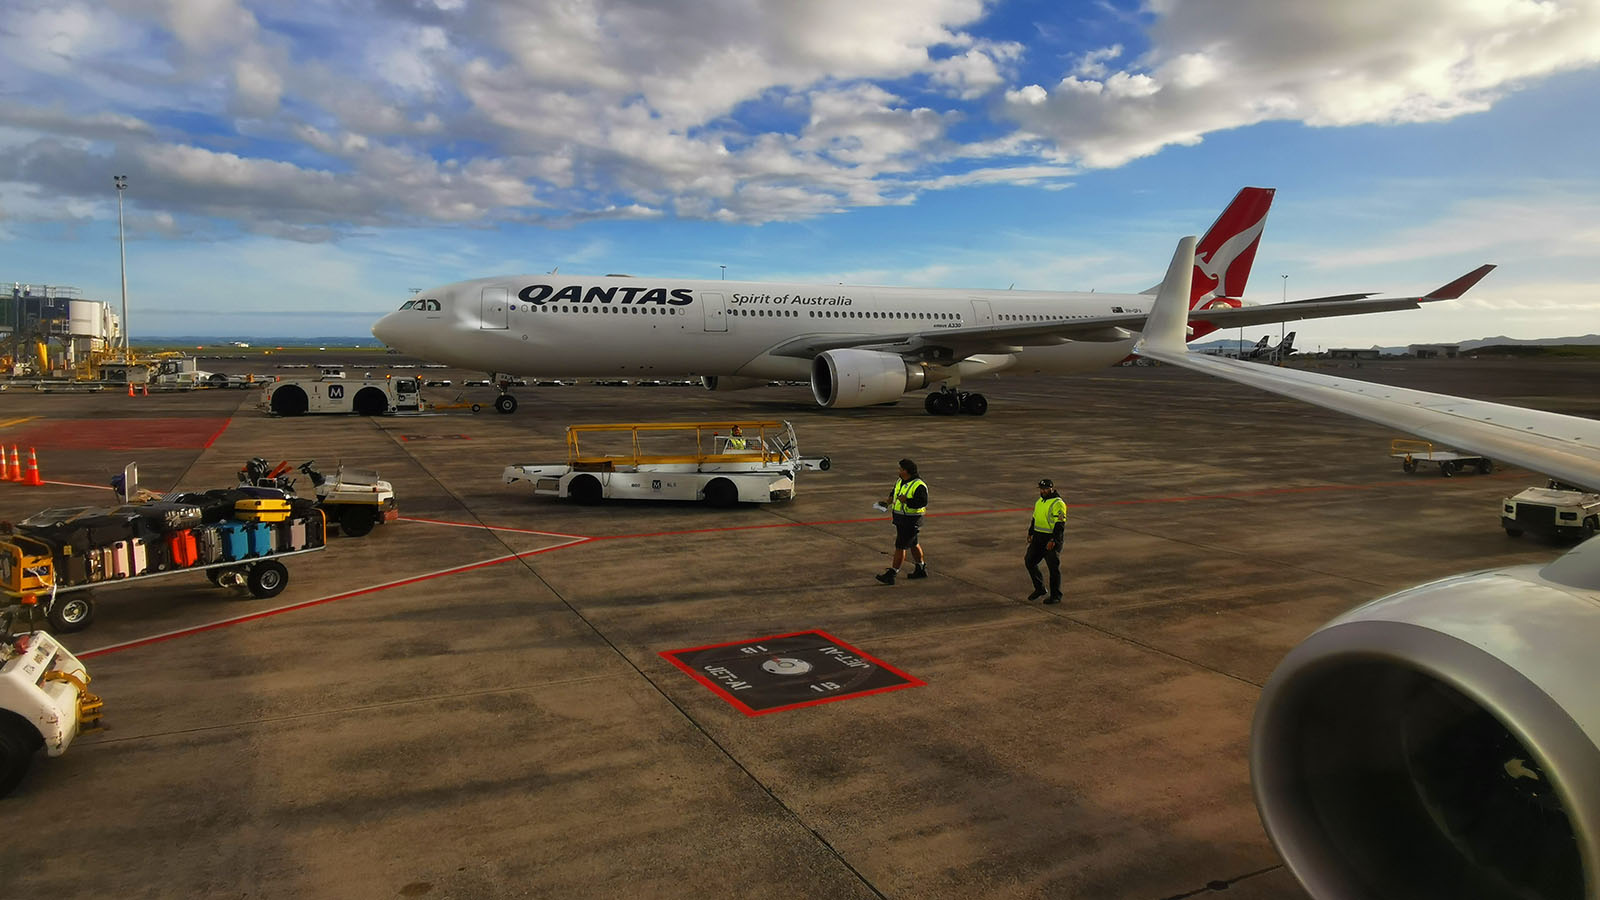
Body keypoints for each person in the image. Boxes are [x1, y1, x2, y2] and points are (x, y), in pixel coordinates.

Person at [876, 458, 927, 584]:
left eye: (900, 469)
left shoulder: (919, 485)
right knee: (914, 543)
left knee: (900, 546)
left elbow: (922, 502)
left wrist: (907, 501)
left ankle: (892, 573)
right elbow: (894, 492)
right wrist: (886, 502)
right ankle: (920, 568)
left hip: (911, 520)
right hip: (901, 519)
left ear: (906, 471)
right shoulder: (900, 481)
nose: (898, 471)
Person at [1025, 478, 1067, 603]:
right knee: (1029, 561)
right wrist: (1030, 532)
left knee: (1053, 568)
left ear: (1051, 488)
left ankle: (1056, 596)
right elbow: (1035, 518)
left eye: (1045, 489)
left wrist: (1054, 540)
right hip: (1038, 538)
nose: (1042, 491)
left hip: (1051, 539)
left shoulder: (1058, 503)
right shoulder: (1039, 502)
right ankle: (1040, 588)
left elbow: (1060, 525)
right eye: (1041, 489)